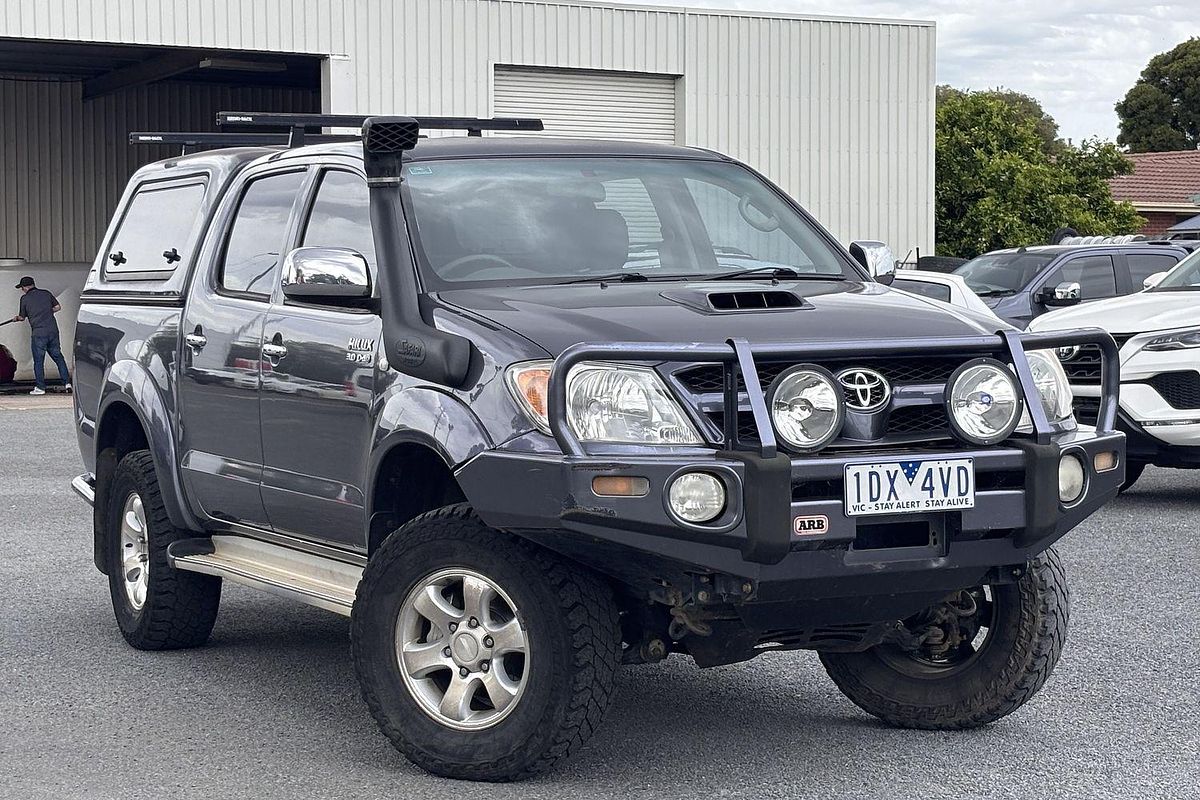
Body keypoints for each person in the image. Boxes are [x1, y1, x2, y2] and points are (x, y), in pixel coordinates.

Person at [10, 276, 71, 396]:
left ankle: (40, 387)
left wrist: (16, 318)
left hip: (39, 334)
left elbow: (22, 317)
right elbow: (58, 307)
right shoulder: (46, 293)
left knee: (38, 361)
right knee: (58, 357)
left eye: (22, 288)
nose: (22, 290)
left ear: (25, 287)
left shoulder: (25, 298)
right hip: (53, 331)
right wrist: (47, 312)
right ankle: (67, 383)